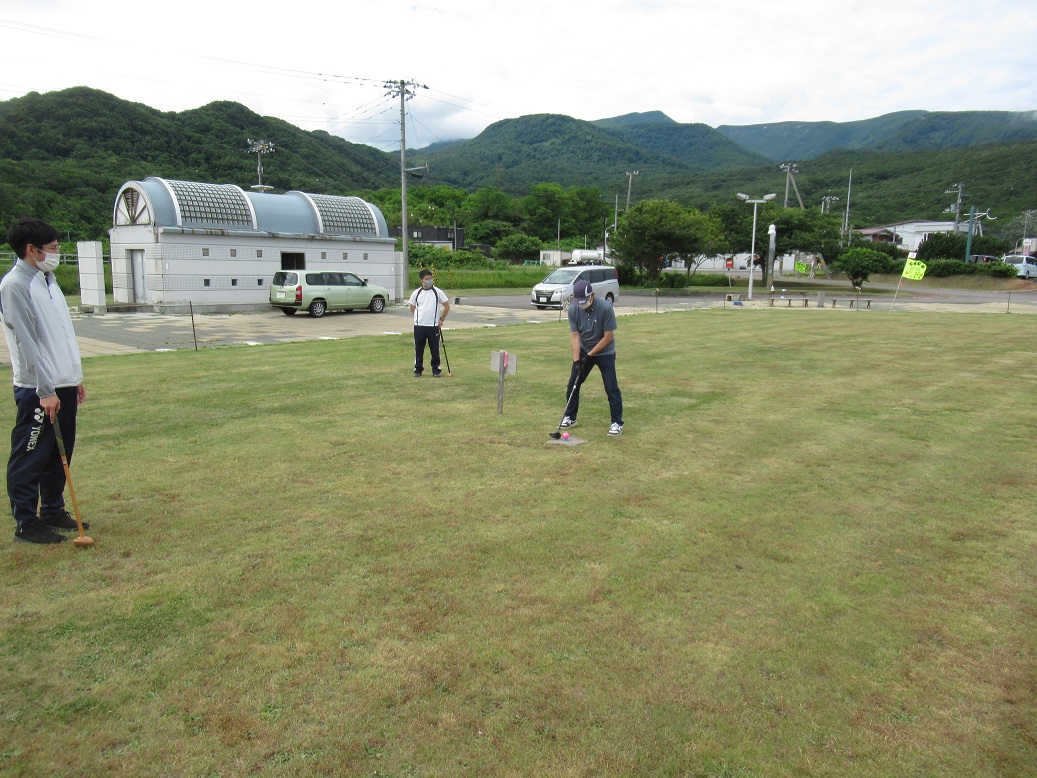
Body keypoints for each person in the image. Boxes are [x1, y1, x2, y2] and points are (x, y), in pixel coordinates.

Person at [0, 218, 88, 543]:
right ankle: (26, 522)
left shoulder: (48, 281)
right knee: (31, 452)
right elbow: (27, 342)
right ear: (31, 250)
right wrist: (46, 390)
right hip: (38, 390)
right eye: (52, 248)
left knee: (59, 453)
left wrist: (73, 377)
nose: (57, 253)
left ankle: (52, 508)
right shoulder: (15, 286)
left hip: (62, 383)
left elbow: (60, 334)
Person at [561, 279, 624, 436]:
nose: (581, 304)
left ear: (592, 295)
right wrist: (577, 360)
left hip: (605, 352)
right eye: (579, 301)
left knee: (611, 387)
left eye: (584, 301)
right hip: (584, 350)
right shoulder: (573, 309)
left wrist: (589, 356)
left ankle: (617, 422)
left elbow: (608, 336)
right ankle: (570, 416)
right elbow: (575, 335)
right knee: (573, 384)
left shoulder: (605, 307)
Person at [407, 268, 450, 377]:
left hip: (433, 326)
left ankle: (436, 370)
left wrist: (441, 319)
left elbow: (447, 306)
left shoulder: (437, 292)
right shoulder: (417, 293)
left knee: (435, 349)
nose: (429, 281)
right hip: (419, 326)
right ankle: (418, 369)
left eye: (431, 279)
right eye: (427, 279)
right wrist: (418, 317)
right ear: (421, 280)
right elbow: (412, 307)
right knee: (419, 349)